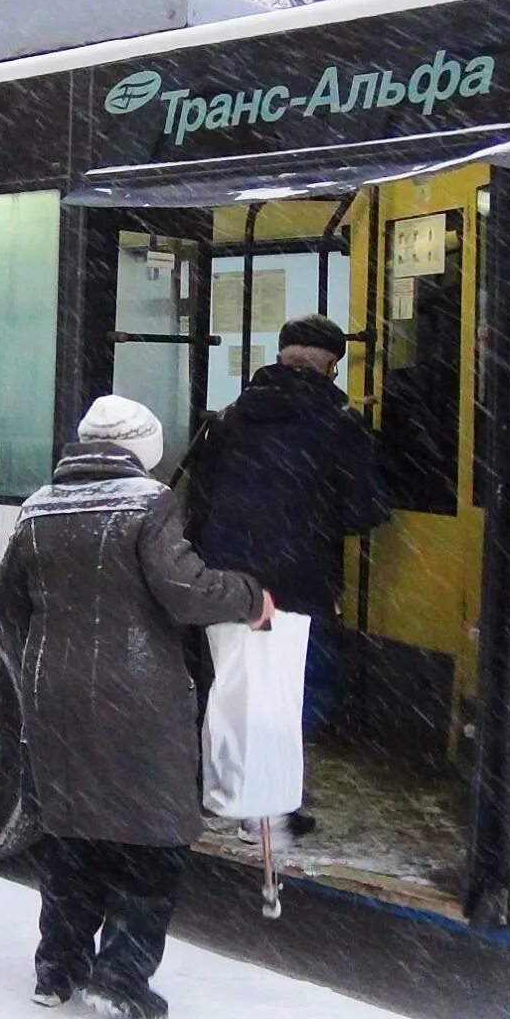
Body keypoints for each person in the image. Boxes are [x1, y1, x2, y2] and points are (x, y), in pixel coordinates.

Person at [0, 395, 272, 1019]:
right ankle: (121, 976)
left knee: (73, 832)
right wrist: (250, 596)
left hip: (54, 697)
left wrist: (50, 663)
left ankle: (56, 969)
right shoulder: (147, 503)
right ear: (142, 448)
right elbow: (187, 592)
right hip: (135, 699)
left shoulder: (38, 507)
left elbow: (2, 606)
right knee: (153, 842)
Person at [182, 313, 389, 844]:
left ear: (280, 355)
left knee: (233, 686)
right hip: (298, 583)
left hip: (224, 579)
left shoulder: (228, 417)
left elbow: (197, 504)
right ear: (332, 364)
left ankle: (223, 789)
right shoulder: (340, 425)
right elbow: (360, 513)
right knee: (298, 691)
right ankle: (266, 811)